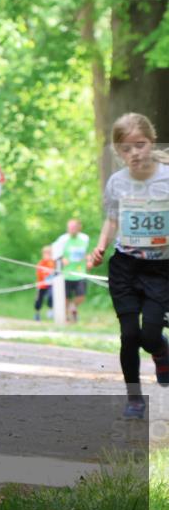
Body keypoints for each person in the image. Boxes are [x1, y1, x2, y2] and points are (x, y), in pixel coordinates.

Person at [87, 113, 169, 420]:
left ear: (152, 141)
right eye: (126, 148)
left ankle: (161, 352)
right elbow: (112, 219)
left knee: (149, 334)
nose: (134, 153)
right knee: (129, 334)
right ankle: (134, 397)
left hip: (160, 268)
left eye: (140, 144)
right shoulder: (117, 183)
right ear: (118, 153)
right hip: (125, 266)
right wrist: (100, 247)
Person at [52, 218, 90, 323]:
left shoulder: (85, 238)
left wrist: (89, 260)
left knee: (81, 296)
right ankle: (66, 318)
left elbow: (88, 252)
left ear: (79, 228)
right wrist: (61, 259)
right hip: (66, 273)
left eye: (74, 227)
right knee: (65, 298)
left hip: (80, 273)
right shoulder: (62, 239)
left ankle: (72, 307)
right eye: (70, 227)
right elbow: (54, 252)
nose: (71, 229)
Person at [34, 245, 55, 321]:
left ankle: (50, 309)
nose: (47, 255)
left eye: (49, 253)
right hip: (42, 285)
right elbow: (39, 276)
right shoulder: (41, 264)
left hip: (51, 284)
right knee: (38, 299)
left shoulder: (53, 263)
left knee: (51, 296)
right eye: (45, 253)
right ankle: (37, 313)